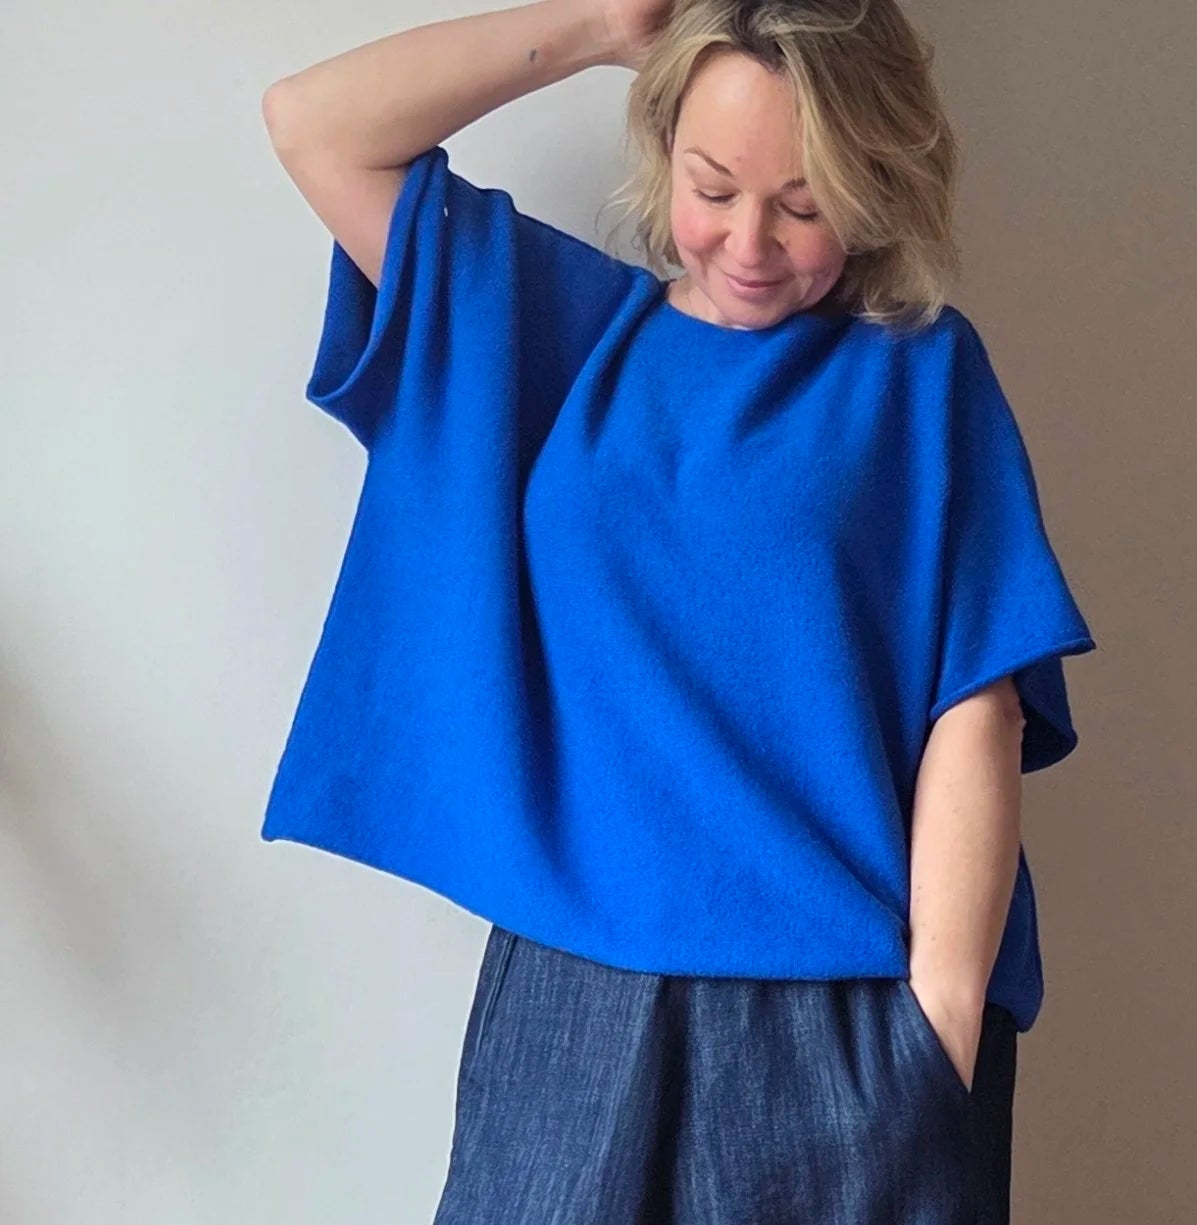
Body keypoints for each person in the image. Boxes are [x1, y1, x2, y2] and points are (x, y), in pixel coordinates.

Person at [258, 0, 1097, 1220]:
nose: (749, 242)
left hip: (838, 1011)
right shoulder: (561, 332)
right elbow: (314, 126)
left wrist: (939, 1027)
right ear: (660, 151)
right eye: (713, 186)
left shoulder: (917, 373)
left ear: (873, 184)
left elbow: (977, 707)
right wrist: (604, 25)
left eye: (804, 204)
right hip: (568, 1003)